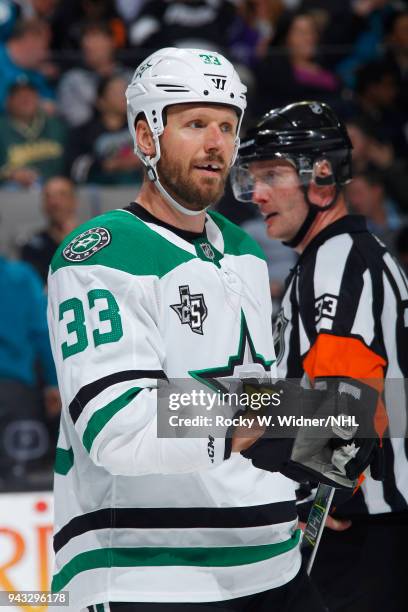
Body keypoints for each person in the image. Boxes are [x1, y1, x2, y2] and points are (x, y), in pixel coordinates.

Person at [47, 48, 331, 611]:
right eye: (195, 123)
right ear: (147, 137)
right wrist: (286, 412)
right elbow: (120, 426)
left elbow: (257, 396)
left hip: (273, 560)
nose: (216, 143)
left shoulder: (247, 251)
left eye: (227, 126)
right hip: (152, 573)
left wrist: (319, 462)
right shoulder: (99, 254)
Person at [231, 100, 408, 611]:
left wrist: (315, 487)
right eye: (252, 178)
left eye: (271, 175)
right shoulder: (324, 262)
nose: (257, 194)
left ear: (322, 177)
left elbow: (345, 405)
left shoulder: (341, 261)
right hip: (362, 525)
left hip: (364, 531)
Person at [0, 78, 66, 188]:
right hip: (14, 192)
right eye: (19, 96)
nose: (25, 100)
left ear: (38, 99)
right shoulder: (2, 128)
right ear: (8, 101)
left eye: (30, 95)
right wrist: (10, 174)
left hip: (55, 188)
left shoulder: (56, 125)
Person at [20, 176, 79, 284]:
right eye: (48, 196)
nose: (54, 202)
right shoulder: (32, 247)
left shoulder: (92, 241)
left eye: (62, 195)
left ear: (74, 201)